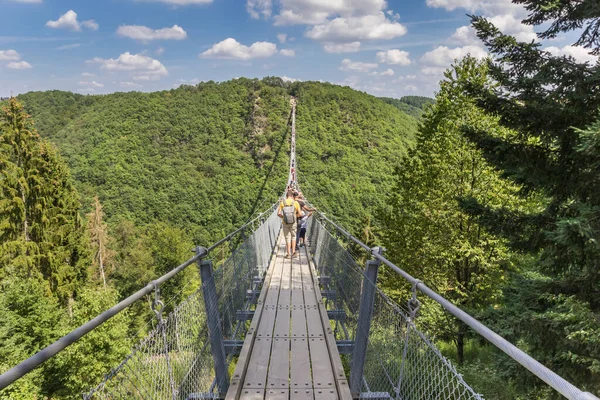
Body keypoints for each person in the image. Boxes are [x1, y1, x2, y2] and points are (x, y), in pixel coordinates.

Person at [278, 189, 302, 258]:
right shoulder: (295, 203)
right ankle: (293, 252)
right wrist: (294, 216)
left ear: (286, 196)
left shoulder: (282, 202)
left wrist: (284, 217)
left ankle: (288, 254)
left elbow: (278, 213)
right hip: (293, 222)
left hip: (285, 222)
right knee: (293, 236)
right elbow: (300, 214)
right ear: (292, 196)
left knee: (287, 238)